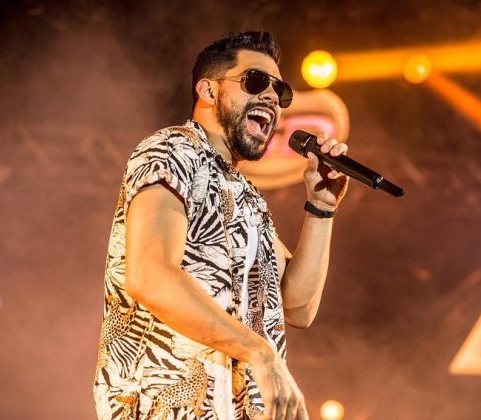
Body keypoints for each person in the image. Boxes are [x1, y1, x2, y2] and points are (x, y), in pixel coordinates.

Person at [93, 31, 349, 420]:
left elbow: (296, 308)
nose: (271, 98)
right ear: (208, 92)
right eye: (255, 82)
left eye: (279, 93)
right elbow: (150, 275)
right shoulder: (172, 150)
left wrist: (320, 209)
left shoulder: (247, 197)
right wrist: (260, 354)